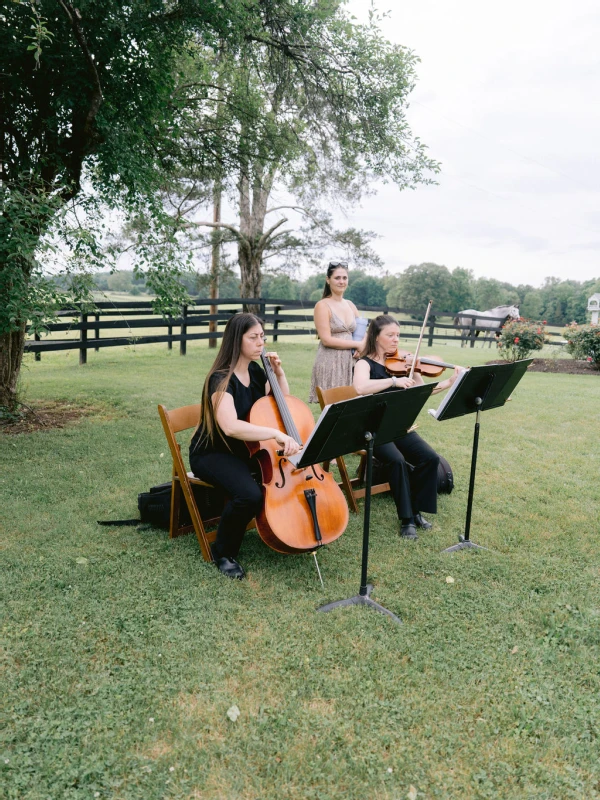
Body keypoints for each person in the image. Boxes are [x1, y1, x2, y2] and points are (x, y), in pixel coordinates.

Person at [189, 313, 300, 579]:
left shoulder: (253, 370)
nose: (260, 342)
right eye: (253, 337)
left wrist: (279, 374)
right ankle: (223, 552)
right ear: (236, 340)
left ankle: (287, 527)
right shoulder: (220, 379)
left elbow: (281, 404)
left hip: (245, 449)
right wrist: (275, 435)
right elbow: (230, 426)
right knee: (249, 494)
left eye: (262, 336)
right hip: (212, 453)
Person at [353, 315, 463, 540]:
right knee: (397, 461)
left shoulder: (404, 363)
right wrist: (393, 381)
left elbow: (424, 390)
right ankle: (407, 519)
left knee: (430, 458)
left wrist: (450, 381)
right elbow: (361, 387)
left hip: (397, 426)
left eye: (398, 335)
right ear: (376, 336)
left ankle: (416, 509)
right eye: (390, 335)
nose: (396, 340)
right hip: (373, 429)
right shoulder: (364, 363)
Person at [308, 262, 366, 403]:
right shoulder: (322, 306)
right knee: (332, 409)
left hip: (351, 361)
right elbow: (326, 339)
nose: (341, 281)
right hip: (330, 361)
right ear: (328, 280)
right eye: (337, 278)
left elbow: (363, 330)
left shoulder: (350, 305)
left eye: (344, 278)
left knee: (352, 407)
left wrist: (362, 346)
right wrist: (356, 344)